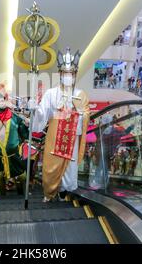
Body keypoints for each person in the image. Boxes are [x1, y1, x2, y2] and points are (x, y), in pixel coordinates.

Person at [30, 49, 90, 202]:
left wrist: (80, 112)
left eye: (71, 73)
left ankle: (63, 193)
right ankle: (49, 192)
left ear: (75, 75)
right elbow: (43, 113)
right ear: (60, 74)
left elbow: (86, 115)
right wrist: (35, 109)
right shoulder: (51, 93)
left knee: (69, 168)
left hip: (71, 138)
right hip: (54, 136)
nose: (68, 76)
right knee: (51, 166)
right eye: (65, 73)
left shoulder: (80, 95)